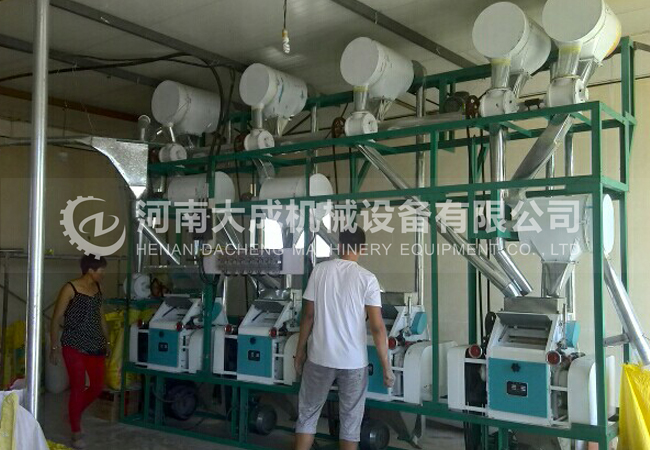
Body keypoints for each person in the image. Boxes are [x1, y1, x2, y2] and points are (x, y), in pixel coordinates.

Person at [294, 227, 394, 450]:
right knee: (350, 424)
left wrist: (300, 352)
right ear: (363, 249)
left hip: (318, 358)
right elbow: (377, 328)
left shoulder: (319, 271)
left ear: (339, 246)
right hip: (353, 362)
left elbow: (308, 316)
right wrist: (386, 367)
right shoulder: (367, 279)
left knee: (307, 416)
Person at [50, 255, 111, 449]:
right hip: (73, 344)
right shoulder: (70, 289)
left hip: (95, 344)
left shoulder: (98, 288)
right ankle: (76, 432)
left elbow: (101, 316)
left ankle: (73, 414)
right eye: (101, 270)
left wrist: (107, 340)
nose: (103, 273)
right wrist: (54, 347)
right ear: (90, 271)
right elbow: (56, 318)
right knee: (77, 387)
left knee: (97, 387)